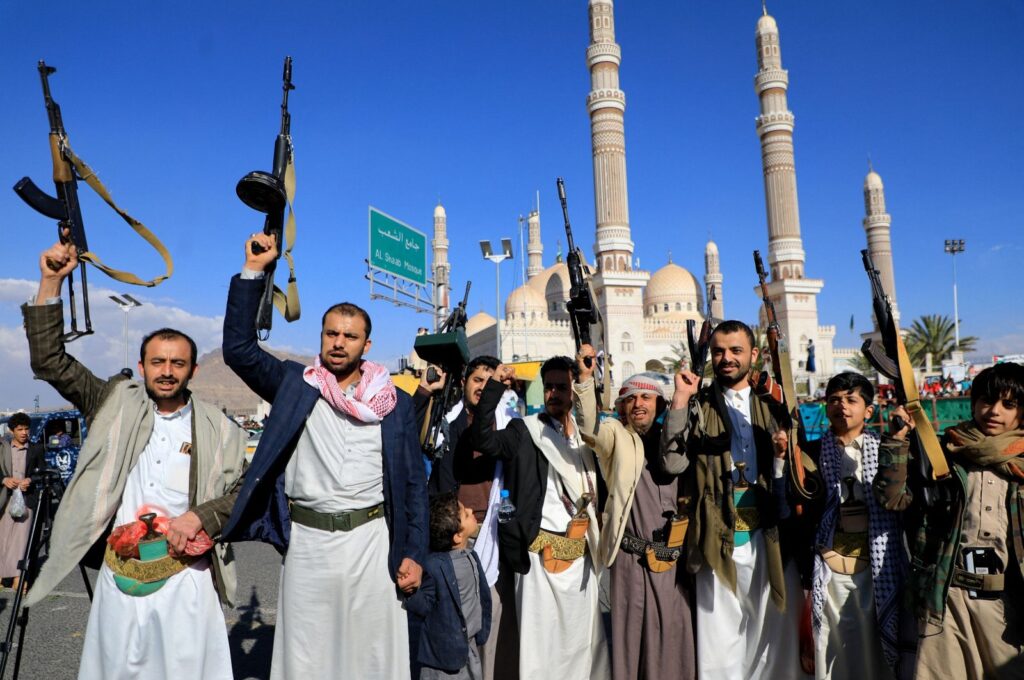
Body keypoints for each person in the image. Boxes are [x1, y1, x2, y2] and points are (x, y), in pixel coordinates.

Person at [21, 237, 247, 680]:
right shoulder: (111, 402)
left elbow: (243, 490)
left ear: (193, 370)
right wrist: (50, 282)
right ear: (141, 366)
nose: (167, 371)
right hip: (121, 575)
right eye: (158, 362)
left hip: (188, 577)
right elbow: (50, 361)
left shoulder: (220, 428)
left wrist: (201, 517)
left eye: (178, 363)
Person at [220, 233, 428, 680]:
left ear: (366, 345)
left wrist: (414, 553)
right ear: (321, 336)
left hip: (371, 543)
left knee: (373, 656)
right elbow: (239, 350)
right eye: (331, 333)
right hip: (309, 544)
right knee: (307, 658)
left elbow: (413, 485)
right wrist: (254, 271)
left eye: (350, 336)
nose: (339, 342)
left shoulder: (396, 402)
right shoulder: (297, 384)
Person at [662, 320, 809, 679]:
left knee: (775, 640)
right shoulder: (699, 405)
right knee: (719, 644)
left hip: (769, 536)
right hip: (718, 536)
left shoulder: (775, 404)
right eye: (719, 351)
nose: (726, 359)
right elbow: (673, 461)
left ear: (753, 355)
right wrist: (680, 398)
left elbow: (803, 474)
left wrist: (783, 452)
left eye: (735, 351)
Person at [875, 362, 1024, 680]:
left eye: (1008, 404)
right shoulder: (943, 454)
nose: (994, 410)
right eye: (987, 400)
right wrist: (896, 441)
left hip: (1007, 607)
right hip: (948, 597)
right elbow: (893, 498)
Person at [466, 356, 609, 680]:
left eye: (562, 387)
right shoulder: (525, 430)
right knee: (540, 652)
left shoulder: (586, 439)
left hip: (581, 561)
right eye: (549, 387)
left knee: (581, 648)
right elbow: (483, 440)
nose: (554, 393)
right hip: (538, 561)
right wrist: (493, 389)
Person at [573, 345, 696, 680]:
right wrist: (585, 379)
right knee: (631, 645)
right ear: (622, 407)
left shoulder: (674, 436)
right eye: (631, 399)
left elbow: (676, 459)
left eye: (646, 398)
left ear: (659, 404)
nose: (639, 404)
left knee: (675, 638)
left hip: (674, 561)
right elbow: (588, 427)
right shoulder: (617, 435)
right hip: (632, 560)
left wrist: (682, 398)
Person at [414, 356, 520, 680]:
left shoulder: (509, 426)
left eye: (491, 381)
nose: (484, 387)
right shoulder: (449, 426)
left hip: (494, 538)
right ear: (464, 384)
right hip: (459, 540)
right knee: (456, 629)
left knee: (494, 627)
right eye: (478, 380)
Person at [799, 373, 908, 679]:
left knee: (876, 653)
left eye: (851, 400)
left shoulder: (889, 448)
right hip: (831, 568)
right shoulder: (810, 452)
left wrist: (899, 445)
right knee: (831, 650)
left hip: (879, 567)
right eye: (834, 400)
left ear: (868, 410)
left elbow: (896, 500)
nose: (841, 407)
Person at [407, 492, 492, 679]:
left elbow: (481, 594)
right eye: (466, 514)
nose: (470, 510)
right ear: (457, 536)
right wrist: (411, 590)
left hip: (469, 650)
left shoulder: (471, 555)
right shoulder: (434, 566)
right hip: (443, 661)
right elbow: (423, 605)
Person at [0, 412, 45, 592]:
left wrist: (30, 480)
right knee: (2, 539)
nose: (24, 432)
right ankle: (2, 577)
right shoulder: (3, 449)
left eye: (27, 429)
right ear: (12, 431)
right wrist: (4, 479)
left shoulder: (36, 449)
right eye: (20, 429)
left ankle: (20, 578)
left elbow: (41, 472)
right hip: (5, 499)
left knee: (21, 540)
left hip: (26, 500)